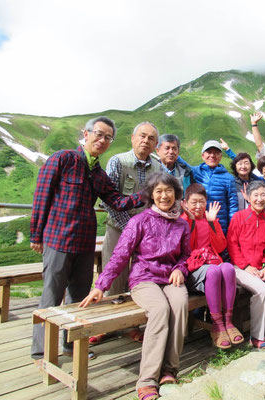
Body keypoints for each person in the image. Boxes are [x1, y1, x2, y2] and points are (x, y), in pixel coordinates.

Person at [30, 116, 143, 362]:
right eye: (99, 134)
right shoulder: (63, 158)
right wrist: (36, 234)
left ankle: (71, 347)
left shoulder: (99, 174)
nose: (102, 140)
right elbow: (42, 194)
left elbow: (117, 202)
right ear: (86, 133)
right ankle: (41, 351)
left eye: (108, 137)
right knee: (51, 296)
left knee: (79, 298)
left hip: (84, 243)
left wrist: (144, 196)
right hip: (57, 240)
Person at [79, 172, 190, 400]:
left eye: (168, 191)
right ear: (150, 195)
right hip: (144, 278)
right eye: (158, 191)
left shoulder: (181, 224)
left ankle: (169, 370)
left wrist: (181, 268)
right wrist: (101, 285)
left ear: (177, 194)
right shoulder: (139, 221)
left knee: (180, 303)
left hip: (170, 277)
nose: (164, 195)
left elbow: (186, 255)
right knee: (160, 310)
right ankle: (147, 379)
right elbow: (120, 255)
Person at [91, 122, 162, 345]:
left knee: (139, 279)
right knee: (114, 278)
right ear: (132, 138)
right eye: (142, 136)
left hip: (146, 234)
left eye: (151, 138)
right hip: (118, 228)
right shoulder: (118, 161)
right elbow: (107, 199)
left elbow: (158, 200)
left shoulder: (158, 168)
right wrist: (131, 228)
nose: (145, 141)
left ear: (155, 144)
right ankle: (106, 325)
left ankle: (132, 325)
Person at [180, 183, 244, 349]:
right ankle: (217, 324)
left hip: (212, 265)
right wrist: (192, 222)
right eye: (194, 202)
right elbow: (186, 247)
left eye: (202, 202)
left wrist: (212, 223)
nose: (198, 206)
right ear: (185, 203)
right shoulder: (183, 221)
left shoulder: (210, 220)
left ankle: (227, 322)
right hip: (194, 270)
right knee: (215, 270)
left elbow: (221, 246)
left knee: (228, 268)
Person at [227, 180, 265, 349]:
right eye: (256, 195)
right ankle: (257, 336)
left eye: (263, 195)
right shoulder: (238, 217)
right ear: (248, 197)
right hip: (241, 268)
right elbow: (232, 244)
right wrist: (245, 267)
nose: (259, 199)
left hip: (263, 267)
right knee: (263, 292)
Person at [189, 140, 238, 234]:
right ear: (202, 156)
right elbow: (178, 162)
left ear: (221, 156)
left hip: (220, 226)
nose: (212, 155)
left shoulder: (228, 178)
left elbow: (233, 206)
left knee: (219, 248)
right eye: (209, 152)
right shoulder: (194, 172)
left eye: (216, 153)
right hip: (197, 224)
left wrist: (232, 230)